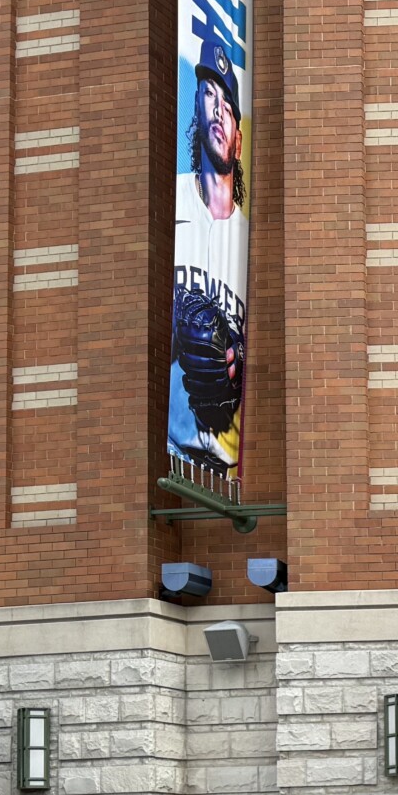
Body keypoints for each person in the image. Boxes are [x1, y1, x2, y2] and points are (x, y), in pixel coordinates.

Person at [168, 33, 248, 470]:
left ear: (238, 141)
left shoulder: (247, 239)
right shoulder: (170, 205)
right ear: (197, 109)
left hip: (228, 472)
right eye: (209, 94)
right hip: (170, 452)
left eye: (228, 105)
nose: (218, 109)